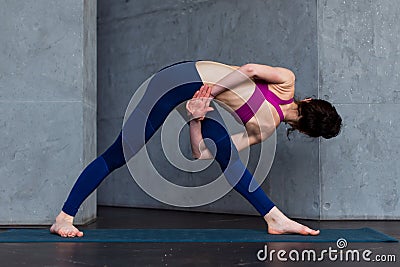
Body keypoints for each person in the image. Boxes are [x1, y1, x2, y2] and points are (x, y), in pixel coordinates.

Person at [50, 61, 342, 237]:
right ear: (304, 131)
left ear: (309, 101)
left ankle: (274, 217)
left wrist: (196, 116)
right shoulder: (268, 119)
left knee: (120, 155)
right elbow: (248, 72)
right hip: (179, 81)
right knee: (121, 153)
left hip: (187, 85)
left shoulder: (286, 84)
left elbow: (202, 152)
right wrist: (211, 93)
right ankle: (64, 217)